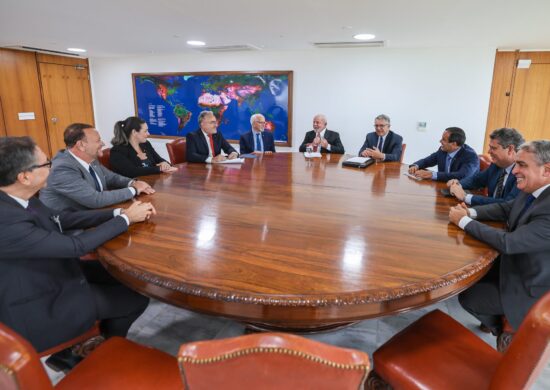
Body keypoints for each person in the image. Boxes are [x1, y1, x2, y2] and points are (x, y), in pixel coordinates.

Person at [0, 136, 155, 371]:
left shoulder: (18, 197)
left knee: (131, 279)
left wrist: (117, 213)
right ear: (24, 176)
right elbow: (75, 247)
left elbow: (61, 219)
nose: (52, 166)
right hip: (39, 300)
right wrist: (126, 219)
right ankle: (96, 354)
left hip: (49, 270)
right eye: (46, 163)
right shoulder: (6, 220)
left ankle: (79, 348)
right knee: (136, 297)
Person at [449, 140, 550, 346]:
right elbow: (506, 208)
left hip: (531, 286)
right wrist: (471, 212)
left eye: (522, 165)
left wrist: (464, 222)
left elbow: (509, 243)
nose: (514, 172)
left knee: (469, 296)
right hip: (516, 264)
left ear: (546, 170)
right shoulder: (534, 189)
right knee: (468, 274)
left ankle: (509, 333)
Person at [40, 123, 155, 211]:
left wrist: (132, 183)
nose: (103, 144)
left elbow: (111, 177)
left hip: (96, 213)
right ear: (81, 145)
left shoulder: (91, 159)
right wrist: (134, 190)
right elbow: (95, 200)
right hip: (71, 228)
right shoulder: (62, 168)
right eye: (98, 140)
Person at [447, 128, 524, 206]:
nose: (488, 151)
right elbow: (475, 180)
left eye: (493, 148)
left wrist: (466, 197)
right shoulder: (496, 165)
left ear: (510, 149)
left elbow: (506, 204)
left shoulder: (522, 174)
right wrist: (457, 184)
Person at [110, 116, 177, 177]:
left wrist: (165, 163)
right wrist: (159, 168)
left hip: (150, 183)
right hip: (132, 187)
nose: (148, 134)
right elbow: (132, 172)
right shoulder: (118, 150)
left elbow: (159, 160)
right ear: (134, 132)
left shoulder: (146, 144)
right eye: (145, 131)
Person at [409, 127, 479, 181]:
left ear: (454, 144)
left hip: (464, 191)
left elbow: (461, 175)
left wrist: (432, 174)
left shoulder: (471, 156)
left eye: (443, 140)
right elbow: (427, 161)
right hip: (443, 186)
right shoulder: (443, 150)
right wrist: (416, 166)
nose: (440, 141)